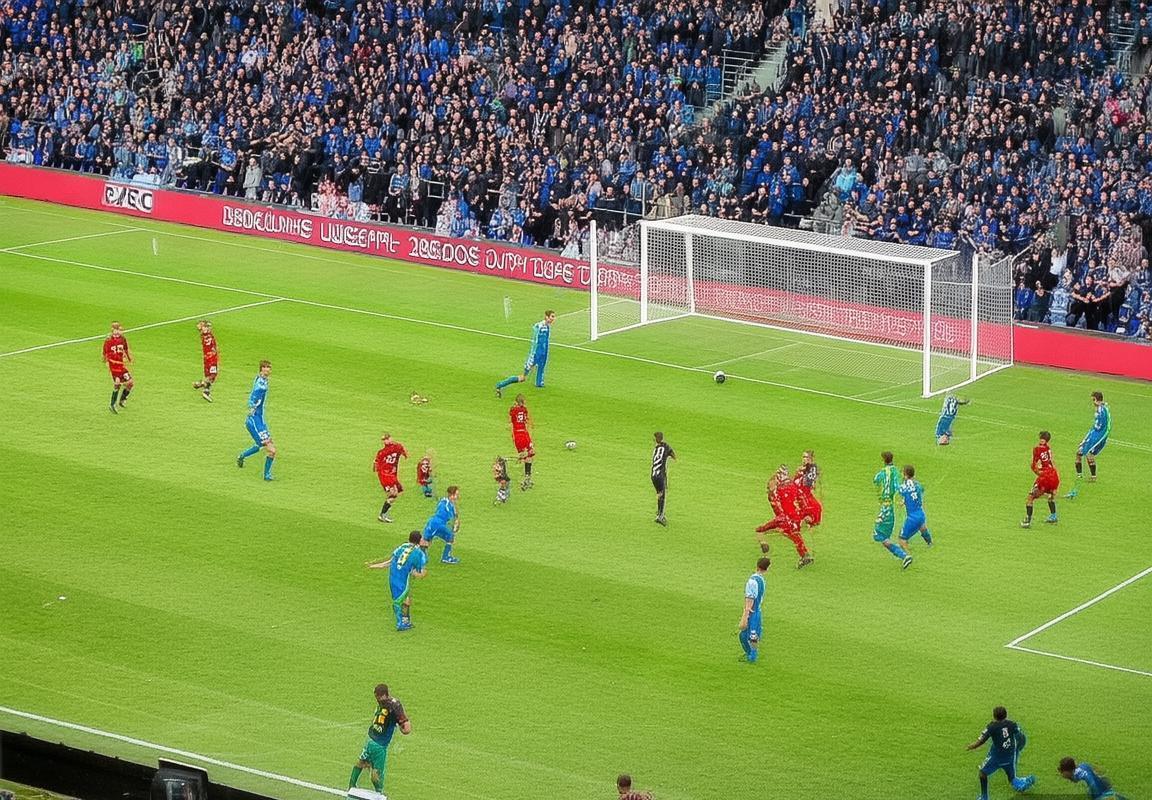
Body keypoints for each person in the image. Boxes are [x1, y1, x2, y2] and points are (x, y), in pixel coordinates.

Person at [348, 683, 411, 795]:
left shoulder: (381, 705)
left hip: (370, 740)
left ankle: (351, 786)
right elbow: (407, 729)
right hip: (379, 746)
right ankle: (379, 793)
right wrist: (401, 726)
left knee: (361, 763)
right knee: (376, 774)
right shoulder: (395, 705)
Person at [966, 706, 1036, 799]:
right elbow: (1021, 736)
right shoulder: (1012, 724)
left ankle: (984, 797)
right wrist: (1019, 747)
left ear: (994, 716)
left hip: (996, 757)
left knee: (982, 773)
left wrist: (971, 746)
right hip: (1010, 756)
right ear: (1006, 715)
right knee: (1012, 779)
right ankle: (1022, 784)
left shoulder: (991, 727)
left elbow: (981, 741)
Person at [368, 530, 428, 631]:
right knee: (399, 601)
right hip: (402, 579)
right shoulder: (419, 554)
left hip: (393, 576)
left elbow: (391, 561)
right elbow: (420, 572)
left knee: (406, 599)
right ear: (419, 540)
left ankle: (405, 621)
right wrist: (419, 573)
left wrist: (376, 565)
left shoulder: (402, 546)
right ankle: (400, 623)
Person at [755, 468, 813, 568]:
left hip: (784, 519)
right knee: (795, 536)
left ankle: (804, 556)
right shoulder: (785, 489)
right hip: (789, 518)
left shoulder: (776, 493)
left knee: (794, 536)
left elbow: (780, 505)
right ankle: (805, 556)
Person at [495, 310, 556, 395]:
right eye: (552, 316)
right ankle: (500, 384)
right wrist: (534, 356)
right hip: (535, 354)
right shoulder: (539, 326)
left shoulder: (547, 326)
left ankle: (539, 384)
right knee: (523, 377)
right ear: (546, 317)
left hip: (543, 353)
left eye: (554, 317)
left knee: (541, 368)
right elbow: (535, 341)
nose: (554, 318)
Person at [1067, 391, 1111, 498]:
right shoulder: (1102, 408)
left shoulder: (1101, 411)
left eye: (1093, 400)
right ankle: (1081, 475)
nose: (1092, 402)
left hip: (1097, 436)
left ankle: (1091, 476)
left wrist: (1095, 436)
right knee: (1080, 453)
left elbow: (1100, 426)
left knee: (1088, 454)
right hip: (1093, 434)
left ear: (1096, 399)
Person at [873, 451, 912, 569]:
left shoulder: (882, 472)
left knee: (879, 535)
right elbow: (897, 487)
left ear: (883, 460)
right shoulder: (895, 471)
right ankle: (901, 553)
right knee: (883, 536)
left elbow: (875, 480)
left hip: (886, 509)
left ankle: (904, 555)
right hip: (888, 508)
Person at [237, 360, 275, 480]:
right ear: (261, 369)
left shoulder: (262, 379)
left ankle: (242, 456)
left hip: (259, 419)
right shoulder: (260, 384)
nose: (268, 369)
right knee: (272, 450)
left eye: (269, 367)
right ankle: (267, 475)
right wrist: (252, 406)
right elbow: (255, 395)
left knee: (260, 445)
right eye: (266, 367)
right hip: (254, 420)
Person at [1021, 431, 1059, 528]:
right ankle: (1053, 516)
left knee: (1030, 498)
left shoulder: (1037, 449)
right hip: (1054, 475)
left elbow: (1034, 465)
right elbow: (1052, 463)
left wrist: (1039, 473)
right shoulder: (1048, 449)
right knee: (1051, 495)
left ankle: (1027, 521)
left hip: (1045, 477)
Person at [738, 556, 770, 663]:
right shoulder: (762, 580)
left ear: (757, 566)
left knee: (748, 635)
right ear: (767, 569)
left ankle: (752, 657)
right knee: (749, 635)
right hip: (757, 611)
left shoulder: (752, 581)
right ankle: (751, 654)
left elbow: (750, 598)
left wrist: (746, 613)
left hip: (752, 611)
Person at [373, 434, 409, 523]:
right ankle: (382, 515)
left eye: (387, 439)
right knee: (393, 494)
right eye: (384, 440)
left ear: (390, 438)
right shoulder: (382, 452)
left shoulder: (397, 447)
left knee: (395, 494)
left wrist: (405, 454)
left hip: (392, 475)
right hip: (385, 475)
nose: (385, 441)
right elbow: (376, 462)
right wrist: (375, 468)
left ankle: (384, 513)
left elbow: (404, 451)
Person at [421, 485, 460, 564]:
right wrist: (455, 525)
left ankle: (422, 556)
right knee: (450, 537)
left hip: (432, 522)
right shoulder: (447, 505)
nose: (458, 496)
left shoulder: (445, 501)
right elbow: (452, 517)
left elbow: (454, 514)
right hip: (438, 524)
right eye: (456, 494)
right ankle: (445, 557)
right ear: (451, 495)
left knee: (427, 539)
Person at [897, 465, 932, 549]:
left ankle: (906, 555)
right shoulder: (918, 485)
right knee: (922, 527)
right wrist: (905, 501)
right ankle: (930, 543)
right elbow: (917, 493)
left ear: (905, 475)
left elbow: (901, 490)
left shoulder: (903, 487)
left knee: (902, 539)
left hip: (912, 518)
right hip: (921, 514)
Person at [102, 321, 134, 413]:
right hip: (114, 367)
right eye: (117, 329)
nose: (119, 331)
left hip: (121, 366)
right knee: (117, 383)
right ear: (113, 330)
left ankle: (122, 400)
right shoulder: (108, 341)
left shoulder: (122, 339)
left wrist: (129, 359)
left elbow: (126, 349)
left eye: (120, 330)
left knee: (130, 383)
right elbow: (105, 354)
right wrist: (107, 362)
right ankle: (112, 405)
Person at [1058, 757, 1127, 799]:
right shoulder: (1084, 765)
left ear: (1069, 771)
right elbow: (1100, 773)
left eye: (1062, 771)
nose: (1061, 773)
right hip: (1108, 791)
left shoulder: (1081, 779)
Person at [509, 394, 535, 490]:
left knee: (524, 456)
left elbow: (511, 422)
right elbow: (528, 421)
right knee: (530, 455)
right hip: (525, 434)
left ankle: (526, 480)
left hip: (517, 435)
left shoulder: (513, 410)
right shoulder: (524, 409)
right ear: (523, 402)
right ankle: (527, 478)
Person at [651, 432, 676, 526]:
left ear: (656, 440)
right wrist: (671, 456)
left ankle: (659, 512)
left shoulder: (655, 449)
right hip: (661, 475)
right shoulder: (666, 446)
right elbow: (674, 456)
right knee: (662, 494)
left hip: (653, 475)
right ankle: (660, 516)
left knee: (659, 493)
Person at [191, 320, 218, 402]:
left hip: (207, 358)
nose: (209, 328)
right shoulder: (207, 336)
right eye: (207, 327)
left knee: (208, 376)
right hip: (211, 358)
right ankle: (200, 384)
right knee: (212, 375)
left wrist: (202, 327)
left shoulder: (205, 336)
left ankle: (206, 392)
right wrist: (202, 327)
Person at [793, 450, 822, 526]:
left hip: (806, 494)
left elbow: (812, 481)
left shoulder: (812, 468)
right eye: (803, 457)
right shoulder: (801, 469)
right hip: (800, 494)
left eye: (806, 457)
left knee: (817, 509)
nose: (804, 459)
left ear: (810, 458)